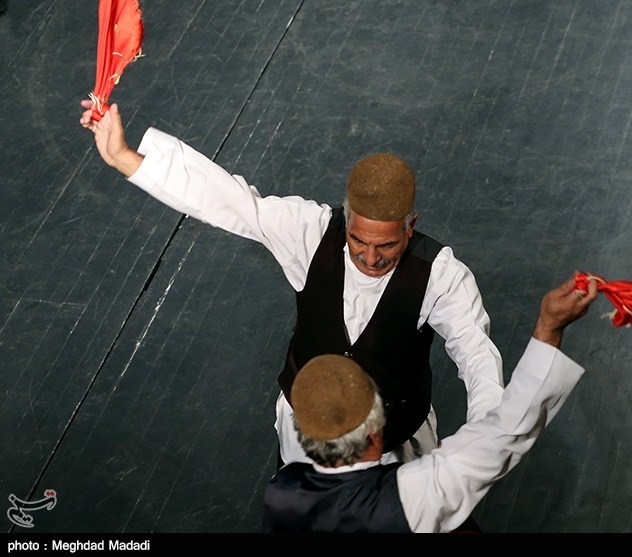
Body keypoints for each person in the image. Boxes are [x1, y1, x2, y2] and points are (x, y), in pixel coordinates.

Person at [79, 101, 505, 465]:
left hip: (396, 442)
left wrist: (483, 435)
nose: (371, 257)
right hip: (307, 434)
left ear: (411, 226)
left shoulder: (441, 274)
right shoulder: (310, 232)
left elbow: (476, 355)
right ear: (346, 219)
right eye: (358, 240)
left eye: (387, 245)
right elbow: (229, 201)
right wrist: (125, 158)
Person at [262, 276, 598, 533]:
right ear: (375, 431)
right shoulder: (417, 494)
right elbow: (506, 431)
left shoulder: (282, 492)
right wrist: (550, 327)